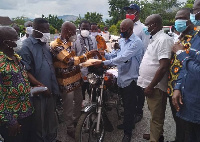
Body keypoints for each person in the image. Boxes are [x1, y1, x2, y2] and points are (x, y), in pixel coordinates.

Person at [93, 19, 144, 142]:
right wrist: (102, 54)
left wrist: (103, 62)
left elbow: (123, 57)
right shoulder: (122, 40)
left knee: (129, 108)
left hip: (131, 79)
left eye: (123, 29)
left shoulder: (136, 43)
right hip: (122, 77)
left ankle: (128, 134)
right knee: (124, 105)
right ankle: (128, 124)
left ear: (131, 29)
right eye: (120, 29)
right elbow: (116, 54)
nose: (121, 31)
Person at [50, 22, 100, 138]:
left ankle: (77, 120)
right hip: (65, 82)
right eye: (73, 32)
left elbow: (75, 60)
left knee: (79, 101)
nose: (75, 34)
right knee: (68, 106)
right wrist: (87, 56)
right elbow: (69, 60)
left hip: (76, 79)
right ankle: (70, 128)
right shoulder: (56, 45)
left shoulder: (70, 42)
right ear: (67, 31)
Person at [18, 18, 60, 142]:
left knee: (50, 119)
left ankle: (51, 139)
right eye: (45, 30)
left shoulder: (45, 44)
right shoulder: (26, 46)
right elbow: (26, 71)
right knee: (39, 121)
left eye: (48, 29)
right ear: (36, 30)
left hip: (51, 88)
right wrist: (42, 87)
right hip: (38, 92)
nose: (47, 32)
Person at [137, 14, 174, 142]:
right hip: (150, 85)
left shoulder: (163, 39)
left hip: (155, 86)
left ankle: (155, 138)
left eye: (148, 25)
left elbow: (163, 67)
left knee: (157, 116)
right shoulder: (155, 38)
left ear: (156, 25)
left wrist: (151, 86)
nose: (146, 27)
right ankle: (157, 134)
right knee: (154, 113)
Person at [172, 1, 200, 141]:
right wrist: (177, 87)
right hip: (184, 93)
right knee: (184, 128)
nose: (195, 13)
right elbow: (185, 67)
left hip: (196, 101)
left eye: (195, 10)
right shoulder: (196, 37)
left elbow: (187, 62)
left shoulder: (194, 36)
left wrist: (181, 55)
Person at [0, 26, 34, 142]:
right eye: (15, 38)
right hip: (12, 118)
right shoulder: (1, 63)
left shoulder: (17, 58)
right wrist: (10, 121)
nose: (18, 40)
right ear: (6, 42)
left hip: (26, 112)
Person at [167, 8, 195, 142]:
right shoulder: (181, 37)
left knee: (187, 125)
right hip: (173, 87)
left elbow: (190, 65)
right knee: (177, 120)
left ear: (190, 20)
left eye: (181, 18)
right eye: (176, 19)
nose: (177, 21)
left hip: (185, 89)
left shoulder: (194, 38)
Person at [124, 3, 149, 124]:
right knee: (130, 89)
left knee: (139, 89)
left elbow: (145, 48)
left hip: (139, 64)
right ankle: (130, 110)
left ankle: (139, 111)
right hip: (127, 64)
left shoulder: (143, 28)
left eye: (131, 10)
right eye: (127, 10)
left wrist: (142, 66)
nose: (128, 12)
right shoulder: (125, 25)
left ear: (137, 13)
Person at [73, 20, 98, 102]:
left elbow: (96, 52)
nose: (85, 30)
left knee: (93, 90)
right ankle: (81, 107)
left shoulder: (93, 38)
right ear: (79, 28)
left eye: (87, 28)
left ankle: (93, 106)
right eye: (83, 28)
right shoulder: (75, 40)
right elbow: (74, 55)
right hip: (80, 70)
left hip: (92, 69)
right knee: (81, 90)